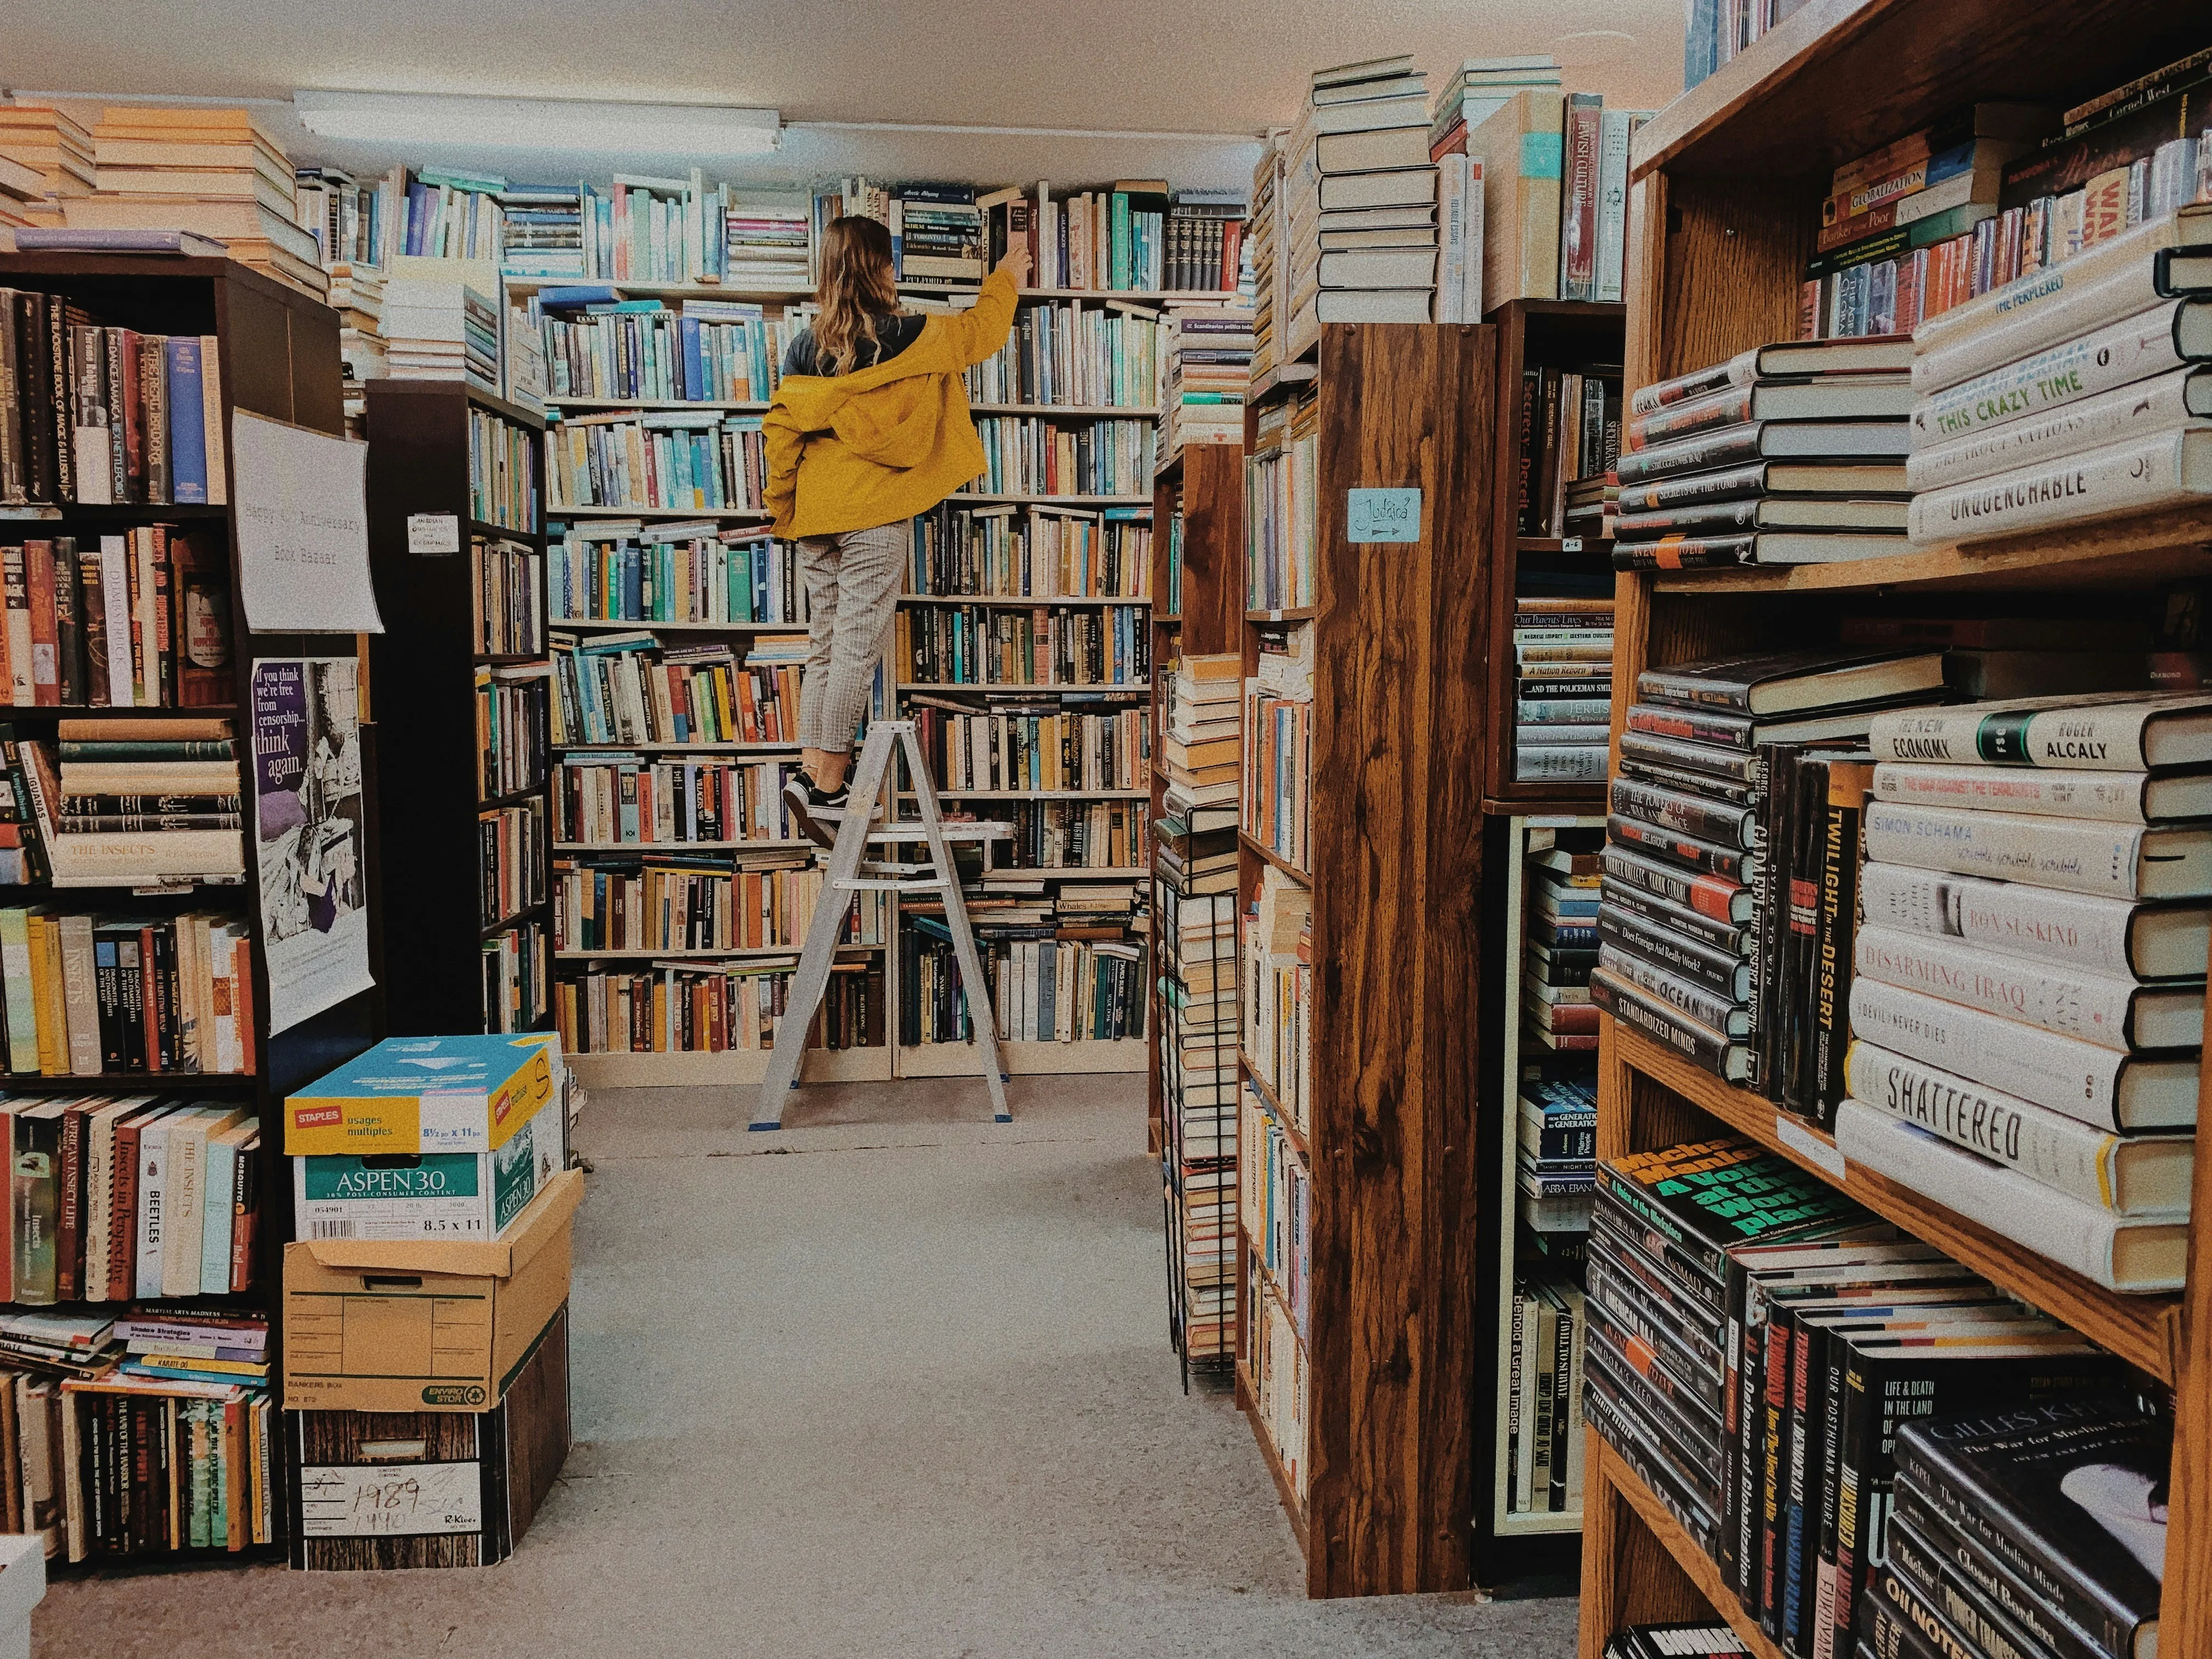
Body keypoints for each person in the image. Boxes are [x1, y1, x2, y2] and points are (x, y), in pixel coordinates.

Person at [764, 215, 1031, 847]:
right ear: (883, 269)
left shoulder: (803, 348)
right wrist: (1005, 278)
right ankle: (828, 786)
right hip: (876, 510)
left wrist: (782, 504)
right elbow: (980, 333)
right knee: (856, 649)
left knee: (824, 645)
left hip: (817, 511)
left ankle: (809, 773)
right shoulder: (912, 335)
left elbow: (782, 432)